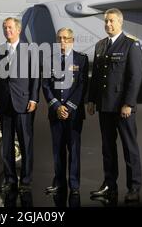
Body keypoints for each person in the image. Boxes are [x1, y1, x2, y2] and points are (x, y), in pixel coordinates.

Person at [87, 8, 142, 202]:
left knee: (130, 148)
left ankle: (134, 187)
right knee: (108, 148)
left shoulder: (131, 45)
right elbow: (96, 77)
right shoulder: (100, 46)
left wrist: (128, 103)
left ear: (120, 22)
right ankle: (109, 184)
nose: (108, 25)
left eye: (111, 21)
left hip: (122, 107)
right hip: (104, 105)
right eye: (106, 21)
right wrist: (92, 99)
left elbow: (135, 77)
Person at [0, 17, 40, 193]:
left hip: (24, 102)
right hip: (4, 103)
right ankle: (10, 178)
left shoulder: (30, 50)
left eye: (10, 27)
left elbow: (35, 77)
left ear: (18, 30)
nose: (7, 30)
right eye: (5, 28)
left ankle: (26, 179)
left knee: (26, 143)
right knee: (7, 145)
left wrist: (34, 99)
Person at [42, 28, 88, 196]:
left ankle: (74, 185)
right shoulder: (49, 59)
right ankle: (59, 182)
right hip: (56, 112)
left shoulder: (81, 59)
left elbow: (82, 85)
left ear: (72, 40)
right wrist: (56, 107)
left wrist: (68, 107)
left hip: (73, 113)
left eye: (66, 38)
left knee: (74, 150)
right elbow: (45, 85)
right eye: (59, 38)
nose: (62, 42)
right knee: (58, 150)